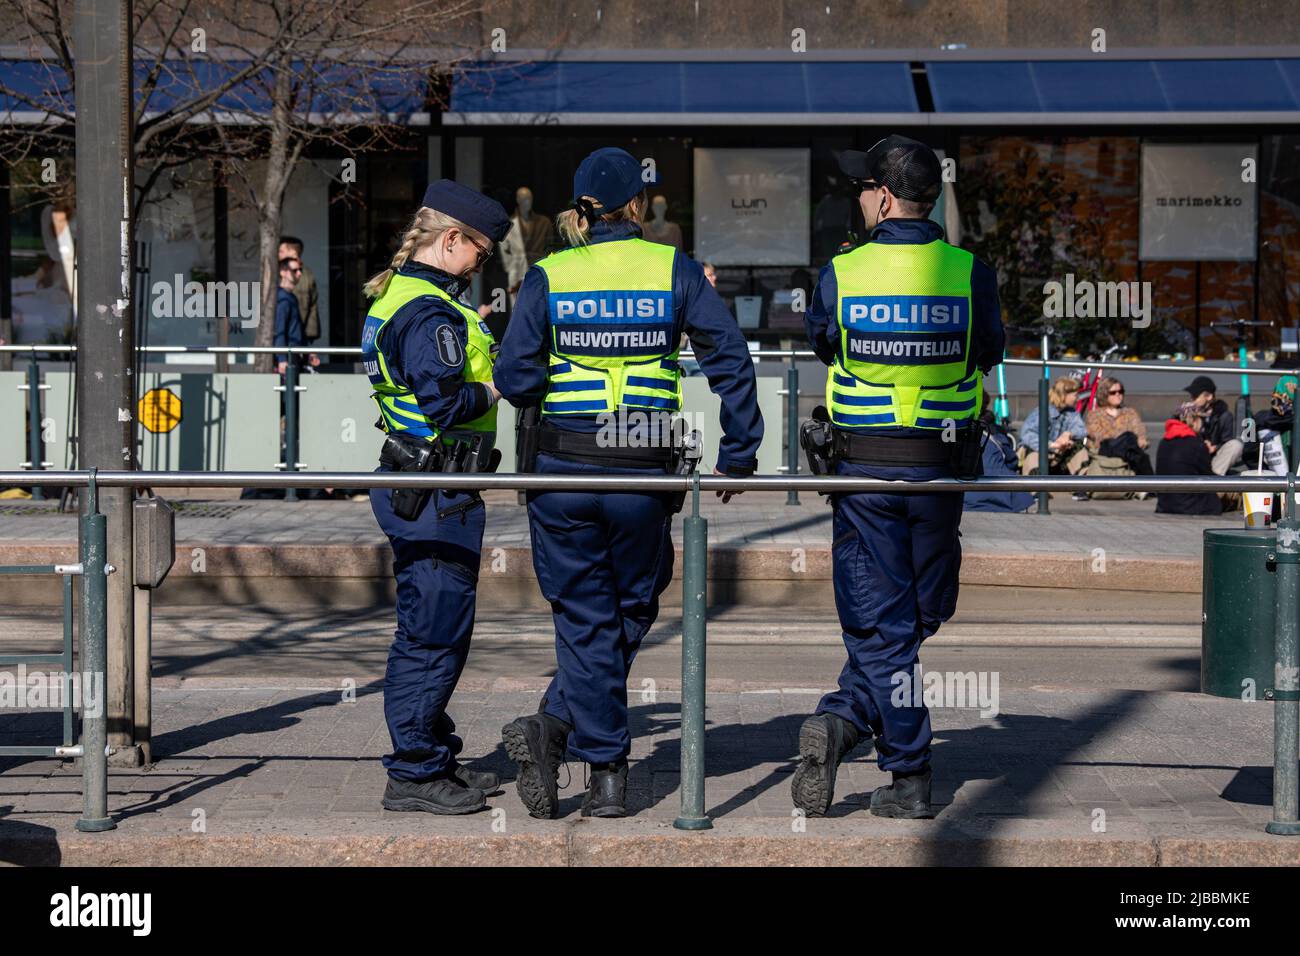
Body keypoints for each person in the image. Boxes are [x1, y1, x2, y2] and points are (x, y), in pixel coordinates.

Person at [494, 147, 763, 819]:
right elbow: (728, 356)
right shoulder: (672, 268)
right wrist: (740, 452)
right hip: (643, 466)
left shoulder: (550, 275)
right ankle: (604, 770)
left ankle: (560, 730)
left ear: (582, 207)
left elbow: (518, 380)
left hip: (563, 468)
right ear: (638, 206)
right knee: (635, 602)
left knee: (587, 617)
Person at [793, 135, 1005, 819]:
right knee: (916, 613)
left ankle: (892, 755)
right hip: (940, 473)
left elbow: (822, 339)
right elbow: (990, 350)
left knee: (886, 624)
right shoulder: (971, 270)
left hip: (866, 475)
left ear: (883, 197)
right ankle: (859, 726)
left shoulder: (843, 272)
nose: (858, 198)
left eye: (862, 188)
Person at [361, 180, 511, 814]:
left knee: (433, 626)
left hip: (419, 483)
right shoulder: (429, 314)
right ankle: (415, 772)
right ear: (452, 240)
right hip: (435, 489)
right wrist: (500, 385)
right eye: (482, 250)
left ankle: (434, 753)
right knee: (432, 634)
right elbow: (446, 404)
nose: (484, 264)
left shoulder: (405, 298)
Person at [963, 393, 1034, 513]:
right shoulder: (994, 431)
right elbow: (1012, 461)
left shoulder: (954, 431)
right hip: (1002, 497)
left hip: (966, 498)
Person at [1155, 402, 1223, 516]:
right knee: (1227, 494)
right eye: (1202, 420)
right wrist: (1206, 451)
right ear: (1195, 421)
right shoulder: (1196, 444)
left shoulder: (1164, 442)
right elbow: (1208, 477)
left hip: (1165, 505)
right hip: (1192, 506)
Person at [1020, 376, 1089, 486]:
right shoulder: (1042, 412)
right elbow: (1026, 435)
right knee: (1032, 453)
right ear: (1064, 395)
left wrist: (1068, 434)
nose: (1077, 398)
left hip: (1060, 457)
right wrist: (1052, 445)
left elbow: (1082, 430)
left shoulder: (1072, 412)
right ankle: (1036, 487)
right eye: (1075, 395)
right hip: (1043, 454)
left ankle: (1082, 486)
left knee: (1080, 449)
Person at [1084, 375, 1153, 476]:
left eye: (1121, 392)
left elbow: (1139, 430)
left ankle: (1149, 487)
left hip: (1129, 453)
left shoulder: (1130, 412)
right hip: (1105, 452)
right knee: (1129, 438)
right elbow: (1100, 436)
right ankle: (1150, 486)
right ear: (1104, 394)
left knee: (1133, 445)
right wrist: (1126, 437)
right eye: (1113, 392)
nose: (1118, 395)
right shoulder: (1094, 415)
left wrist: (1140, 439)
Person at [1184, 374, 1242, 475]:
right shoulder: (1189, 413)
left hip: (1214, 460)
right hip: (1195, 457)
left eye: (1195, 396)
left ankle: (1214, 480)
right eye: (1191, 396)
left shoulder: (1224, 415)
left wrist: (1214, 447)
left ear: (1209, 396)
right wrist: (1186, 419)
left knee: (1236, 445)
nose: (1192, 399)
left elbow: (1226, 442)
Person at [278, 236, 320, 343]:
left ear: (293, 253)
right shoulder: (280, 270)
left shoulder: (299, 276)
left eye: (281, 251)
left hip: (291, 337)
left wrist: (307, 339)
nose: (279, 254)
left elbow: (307, 309)